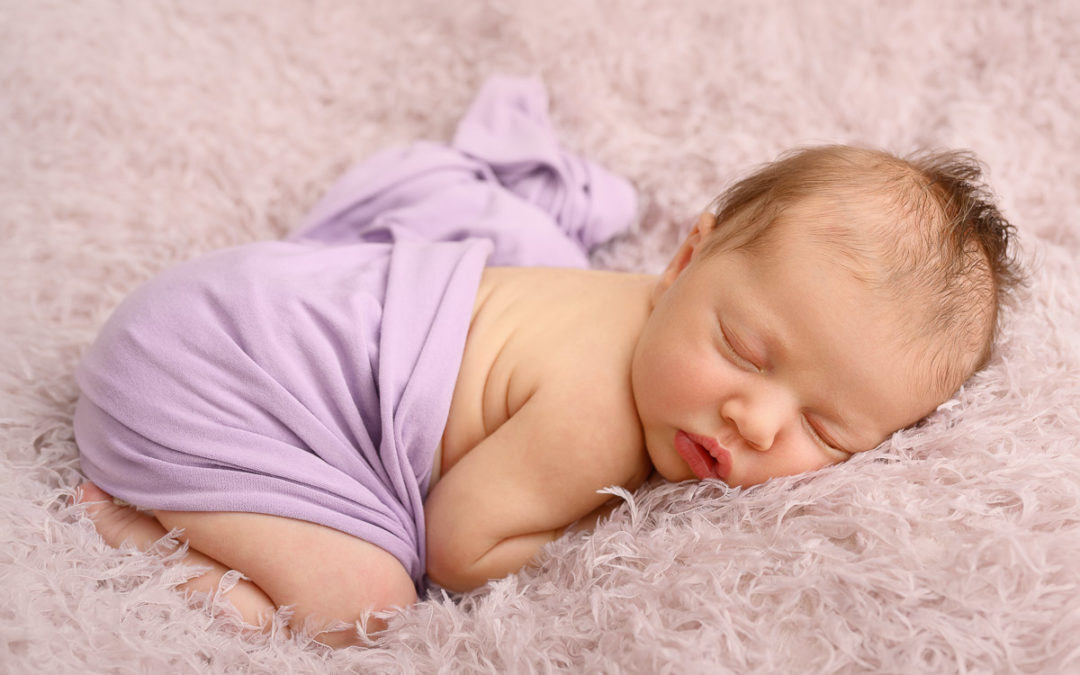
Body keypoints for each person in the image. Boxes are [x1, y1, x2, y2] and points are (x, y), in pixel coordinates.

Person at [72, 80, 1021, 648]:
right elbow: (458, 546)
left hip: (228, 304)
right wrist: (609, 522)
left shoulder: (627, 307)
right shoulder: (593, 417)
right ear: (685, 257)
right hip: (201, 380)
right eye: (743, 349)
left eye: (826, 428)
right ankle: (133, 528)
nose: (757, 421)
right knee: (365, 609)